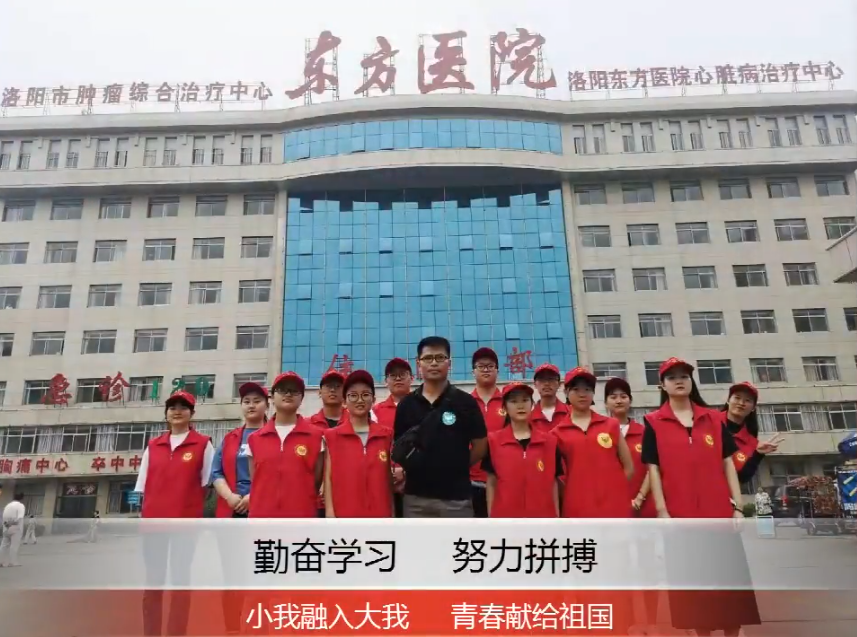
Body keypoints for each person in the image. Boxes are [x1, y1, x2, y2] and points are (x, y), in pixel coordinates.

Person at [642, 357, 760, 637]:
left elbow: (727, 463)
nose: (679, 381)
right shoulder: (653, 422)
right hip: (681, 518)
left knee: (728, 584)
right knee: (693, 587)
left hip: (718, 514)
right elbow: (653, 469)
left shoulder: (713, 419)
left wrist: (738, 506)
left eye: (684, 376)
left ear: (691, 381)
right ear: (662, 385)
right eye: (672, 377)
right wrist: (662, 511)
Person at [134, 390, 214, 637]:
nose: (177, 411)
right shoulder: (153, 446)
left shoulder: (203, 444)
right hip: (154, 526)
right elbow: (142, 486)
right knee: (153, 583)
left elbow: (207, 485)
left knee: (180, 582)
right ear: (166, 413)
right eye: (172, 407)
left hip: (184, 527)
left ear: (192, 413)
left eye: (183, 407)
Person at [393, 336, 487, 518]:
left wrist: (456, 465)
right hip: (416, 499)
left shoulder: (466, 402)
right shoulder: (406, 405)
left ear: (449, 362)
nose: (434, 363)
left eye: (440, 358)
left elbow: (481, 446)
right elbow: (399, 447)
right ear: (418, 363)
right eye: (428, 358)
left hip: (457, 499)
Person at [210, 381, 268, 636]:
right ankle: (232, 627)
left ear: (267, 404)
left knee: (261, 573)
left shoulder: (273, 435)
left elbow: (279, 473)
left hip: (263, 513)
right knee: (232, 574)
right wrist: (230, 497)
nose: (251, 405)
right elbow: (216, 473)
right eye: (246, 401)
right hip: (231, 512)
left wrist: (254, 496)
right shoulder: (231, 438)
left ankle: (261, 627)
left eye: (257, 401)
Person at [604, 377, 659, 632]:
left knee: (648, 568)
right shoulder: (600, 431)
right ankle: (625, 621)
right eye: (613, 396)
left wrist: (639, 497)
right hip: (612, 511)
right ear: (606, 402)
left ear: (630, 401)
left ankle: (651, 622)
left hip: (642, 508)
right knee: (618, 568)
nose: (618, 400)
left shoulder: (644, 432)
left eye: (623, 396)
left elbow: (652, 468)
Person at [554, 367, 634, 518]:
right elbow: (557, 479)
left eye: (587, 389)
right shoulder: (557, 433)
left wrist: (616, 490)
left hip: (615, 507)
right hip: (577, 508)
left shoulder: (611, 425)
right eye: (576, 389)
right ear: (566, 392)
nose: (582, 394)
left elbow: (629, 467)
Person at [246, 372, 324, 518]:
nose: (288, 394)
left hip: (301, 517)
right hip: (261, 518)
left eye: (294, 390)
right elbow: (256, 479)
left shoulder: (316, 437)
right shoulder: (254, 439)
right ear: (272, 397)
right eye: (282, 390)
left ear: (302, 398)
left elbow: (316, 481)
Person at [482, 383, 561, 517]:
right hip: (506, 518)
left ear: (532, 405)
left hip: (542, 518)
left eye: (525, 400)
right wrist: (492, 517)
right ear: (505, 407)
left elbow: (553, 483)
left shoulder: (549, 442)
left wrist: (556, 517)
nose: (520, 406)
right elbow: (491, 482)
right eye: (513, 401)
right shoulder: (493, 441)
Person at [324, 370, 394, 517]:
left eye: (366, 394)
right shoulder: (332, 436)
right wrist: (330, 513)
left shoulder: (385, 435)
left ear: (373, 399)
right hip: (345, 516)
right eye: (353, 395)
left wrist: (391, 514)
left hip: (380, 515)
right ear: (344, 401)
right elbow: (328, 479)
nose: (360, 400)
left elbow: (388, 480)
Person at [469, 347, 506, 518]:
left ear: (497, 370)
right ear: (473, 371)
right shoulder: (464, 403)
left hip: (503, 481)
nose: (486, 370)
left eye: (490, 366)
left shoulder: (509, 402)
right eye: (481, 366)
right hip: (471, 483)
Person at [722, 381, 783, 484]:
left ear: (753, 408)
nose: (741, 403)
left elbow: (741, 478)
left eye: (747, 400)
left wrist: (758, 454)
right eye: (737, 398)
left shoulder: (752, 443)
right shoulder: (708, 422)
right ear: (728, 400)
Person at [374, 358, 413, 517]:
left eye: (402, 374)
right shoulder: (375, 412)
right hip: (384, 483)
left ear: (411, 378)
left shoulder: (423, 408)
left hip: (416, 483)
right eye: (393, 375)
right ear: (386, 381)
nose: (398, 378)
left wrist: (405, 470)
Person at [310, 370, 345, 517]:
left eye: (337, 386)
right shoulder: (308, 425)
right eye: (328, 386)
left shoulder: (355, 423)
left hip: (348, 497)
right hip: (315, 501)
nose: (332, 390)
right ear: (319, 392)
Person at [529, 364, 570, 432]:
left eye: (551, 379)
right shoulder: (528, 419)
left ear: (559, 384)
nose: (547, 383)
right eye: (542, 379)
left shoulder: (571, 413)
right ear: (535, 384)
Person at [0, 493, 25, 568]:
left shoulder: (7, 505)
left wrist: (6, 524)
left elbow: (3, 517)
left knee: (4, 545)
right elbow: (19, 518)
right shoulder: (20, 506)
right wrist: (12, 523)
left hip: (6, 527)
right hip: (16, 527)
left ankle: (1, 561)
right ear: (22, 499)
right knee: (14, 545)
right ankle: (13, 562)